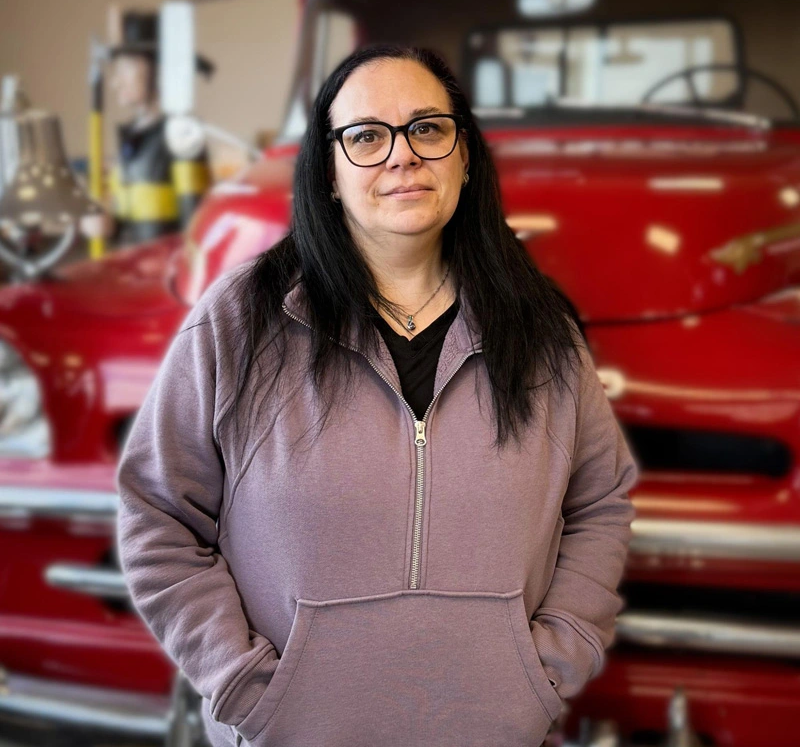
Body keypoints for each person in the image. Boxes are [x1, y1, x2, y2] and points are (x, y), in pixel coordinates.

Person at [115, 45, 639, 747]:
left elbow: (599, 504)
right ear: (328, 173)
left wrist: (550, 664)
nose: (402, 156)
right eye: (366, 136)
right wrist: (243, 682)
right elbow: (157, 514)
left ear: (465, 156)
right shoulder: (239, 320)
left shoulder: (540, 328)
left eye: (427, 128)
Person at [108, 10, 213, 245]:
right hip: (131, 260)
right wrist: (110, 226)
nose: (116, 81)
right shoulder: (131, 136)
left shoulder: (183, 136)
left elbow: (194, 222)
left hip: (164, 263)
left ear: (159, 69)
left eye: (128, 67)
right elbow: (128, 214)